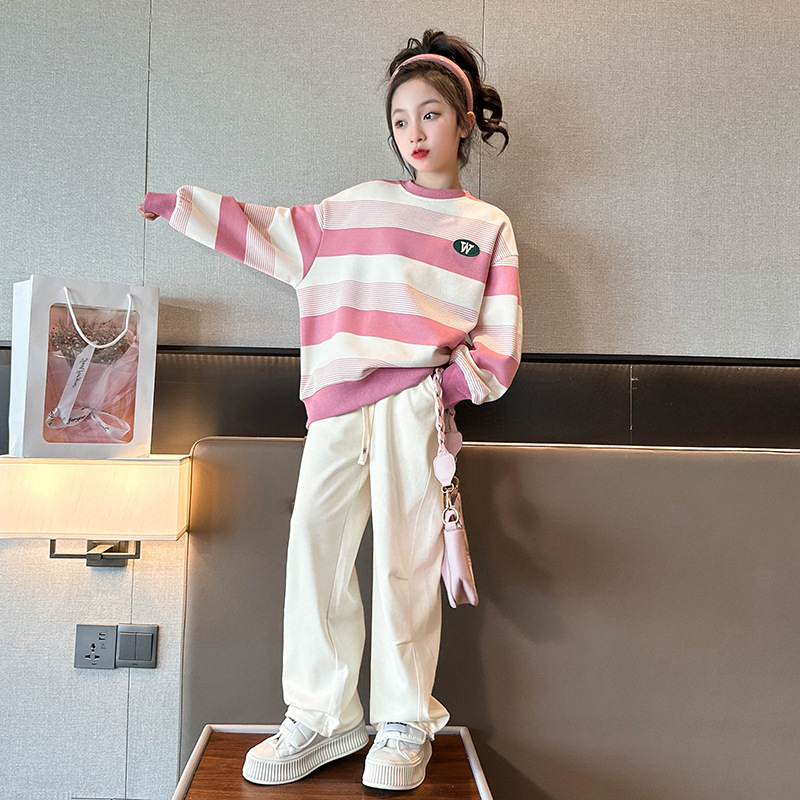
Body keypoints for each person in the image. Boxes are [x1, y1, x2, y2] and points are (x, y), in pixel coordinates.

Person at [139, 29, 521, 792]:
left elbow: (499, 347)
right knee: (314, 550)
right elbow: (270, 233)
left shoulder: (488, 226)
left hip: (417, 408)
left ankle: (405, 723)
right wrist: (183, 208)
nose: (414, 133)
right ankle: (322, 717)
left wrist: (440, 392)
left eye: (430, 115)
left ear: (465, 120)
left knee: (408, 563)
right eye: (400, 120)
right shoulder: (355, 208)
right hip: (338, 410)